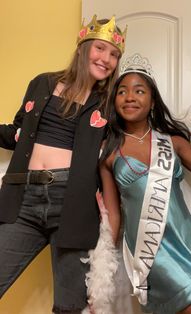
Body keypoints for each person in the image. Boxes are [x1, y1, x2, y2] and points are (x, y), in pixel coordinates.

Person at [0, 14, 126, 314]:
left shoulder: (108, 104)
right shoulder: (42, 83)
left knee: (71, 307)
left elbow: (124, 142)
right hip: (23, 199)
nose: (106, 59)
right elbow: (19, 132)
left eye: (114, 55)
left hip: (73, 203)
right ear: (83, 47)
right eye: (100, 48)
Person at [99, 54, 191, 314]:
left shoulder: (173, 143)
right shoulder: (109, 152)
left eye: (139, 91)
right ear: (114, 100)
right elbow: (113, 217)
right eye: (122, 92)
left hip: (185, 250)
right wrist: (99, 275)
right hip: (150, 258)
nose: (130, 97)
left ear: (152, 102)